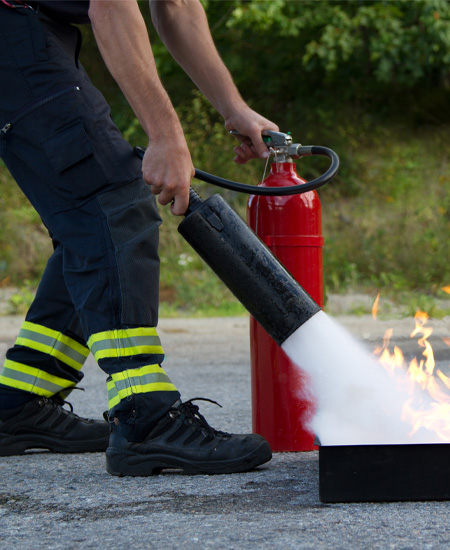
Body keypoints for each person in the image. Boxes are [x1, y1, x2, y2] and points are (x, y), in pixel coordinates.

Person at [0, 0, 277, 476]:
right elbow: (111, 6)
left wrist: (234, 108)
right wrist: (166, 137)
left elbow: (177, 5)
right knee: (111, 201)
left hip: (33, 31)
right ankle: (144, 418)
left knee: (90, 221)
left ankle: (19, 402)